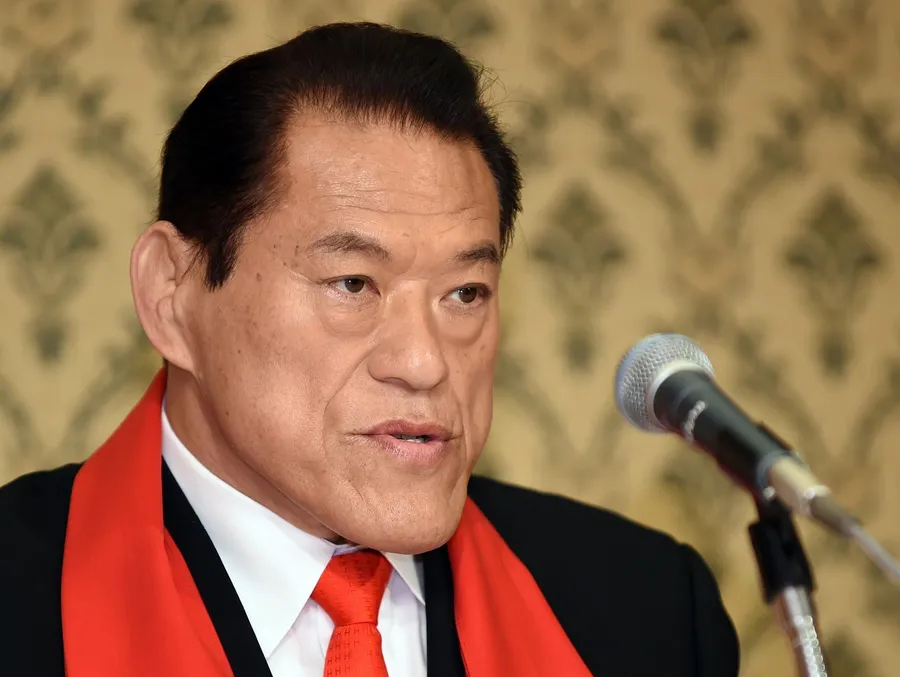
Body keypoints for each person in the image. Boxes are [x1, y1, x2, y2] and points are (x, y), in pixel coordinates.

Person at [0, 22, 739, 677]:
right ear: (173, 293)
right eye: (353, 283)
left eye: (465, 293)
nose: (424, 363)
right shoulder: (19, 602)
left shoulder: (647, 614)